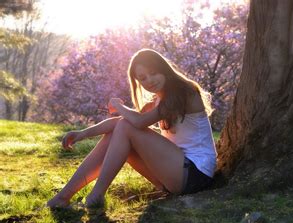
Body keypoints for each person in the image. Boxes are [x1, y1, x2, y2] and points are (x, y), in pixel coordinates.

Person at [47, 49, 217, 208]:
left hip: (195, 174)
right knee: (121, 129)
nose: (149, 80)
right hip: (176, 173)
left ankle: (96, 196)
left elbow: (138, 122)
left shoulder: (184, 92)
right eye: (142, 78)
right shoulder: (159, 100)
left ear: (164, 69)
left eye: (153, 73)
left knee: (127, 127)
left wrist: (117, 105)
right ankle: (63, 197)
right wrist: (83, 133)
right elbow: (122, 123)